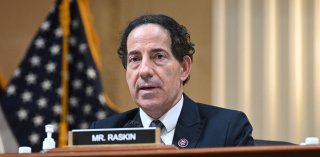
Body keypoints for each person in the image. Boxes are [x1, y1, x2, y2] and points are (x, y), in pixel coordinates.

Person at [90, 14, 254, 148]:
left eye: (159, 56)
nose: (144, 70)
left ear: (184, 68)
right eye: (134, 59)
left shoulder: (228, 129)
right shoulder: (103, 133)